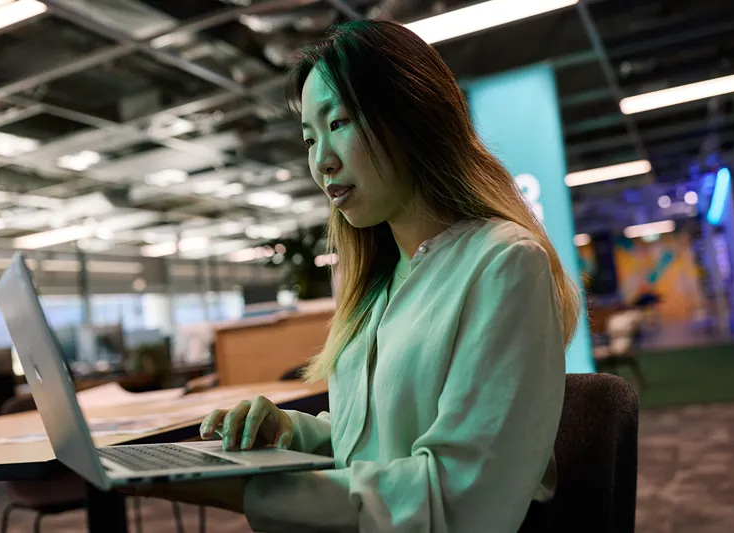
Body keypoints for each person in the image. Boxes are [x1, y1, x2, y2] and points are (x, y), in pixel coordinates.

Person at [133, 19, 580, 533]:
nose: (321, 161)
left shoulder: (504, 263)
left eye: (340, 122)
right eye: (309, 138)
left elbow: (459, 498)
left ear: (412, 116)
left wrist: (249, 489)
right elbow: (372, 446)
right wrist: (290, 431)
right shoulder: (380, 281)